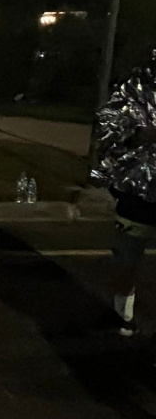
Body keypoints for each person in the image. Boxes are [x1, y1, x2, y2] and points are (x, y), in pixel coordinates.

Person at [93, 48, 156, 337]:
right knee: (126, 258)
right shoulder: (136, 87)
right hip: (136, 189)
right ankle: (122, 315)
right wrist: (137, 133)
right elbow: (107, 125)